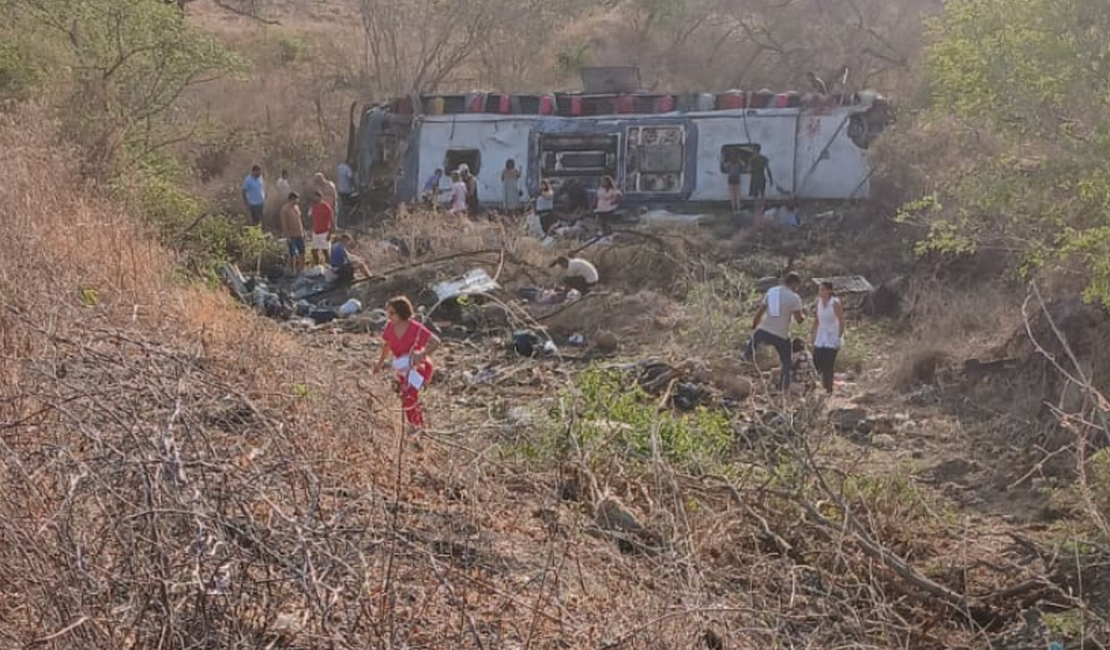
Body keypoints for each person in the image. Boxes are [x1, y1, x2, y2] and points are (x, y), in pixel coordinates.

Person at [373, 296, 442, 432]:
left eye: (392, 313)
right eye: (388, 312)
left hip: (419, 366)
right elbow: (387, 345)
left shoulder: (414, 327)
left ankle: (418, 428)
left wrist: (421, 354)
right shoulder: (389, 327)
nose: (389, 316)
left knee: (410, 394)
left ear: (401, 312)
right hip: (403, 367)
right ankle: (415, 426)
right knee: (406, 396)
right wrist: (379, 364)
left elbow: (436, 341)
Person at [744, 272, 806, 390]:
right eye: (797, 286)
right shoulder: (794, 298)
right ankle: (784, 388)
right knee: (786, 363)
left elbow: (761, 311)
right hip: (781, 335)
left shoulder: (772, 291)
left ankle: (743, 369)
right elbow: (799, 320)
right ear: (794, 284)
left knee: (749, 351)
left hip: (764, 330)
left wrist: (754, 326)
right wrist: (804, 315)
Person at [811, 280, 846, 394]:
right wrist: (813, 333)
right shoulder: (818, 302)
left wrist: (839, 336)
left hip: (832, 334)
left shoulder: (835, 302)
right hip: (821, 334)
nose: (820, 292)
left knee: (828, 363)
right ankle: (815, 385)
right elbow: (816, 319)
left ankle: (828, 389)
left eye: (822, 289)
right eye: (819, 289)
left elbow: (841, 320)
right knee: (816, 360)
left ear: (829, 291)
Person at [279, 191, 305, 274]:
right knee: (292, 253)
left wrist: (303, 230)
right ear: (291, 199)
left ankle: (301, 269)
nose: (297, 201)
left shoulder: (296, 207)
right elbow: (284, 224)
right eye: (296, 199)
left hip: (299, 233)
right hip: (291, 235)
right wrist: (287, 236)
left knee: (302, 252)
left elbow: (299, 220)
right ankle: (292, 270)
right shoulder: (285, 209)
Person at [309, 190, 334, 266]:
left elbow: (332, 220)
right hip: (316, 232)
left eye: (316, 197)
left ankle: (329, 267)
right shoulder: (313, 206)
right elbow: (312, 218)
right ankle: (317, 266)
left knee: (325, 251)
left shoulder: (326, 206)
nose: (314, 198)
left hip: (324, 232)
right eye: (313, 197)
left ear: (320, 197)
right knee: (314, 251)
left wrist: (330, 233)